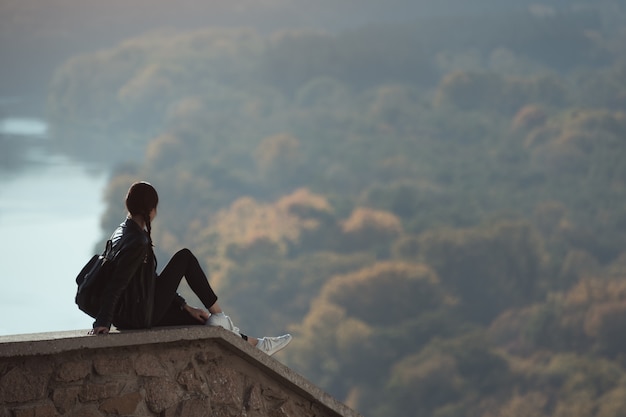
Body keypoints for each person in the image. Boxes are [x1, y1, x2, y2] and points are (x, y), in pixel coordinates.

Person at [89, 181, 292, 356]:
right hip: (138, 315)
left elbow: (147, 279)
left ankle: (255, 344)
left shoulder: (123, 230)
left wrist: (185, 306)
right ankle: (221, 316)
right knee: (184, 258)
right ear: (151, 210)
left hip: (135, 310)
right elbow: (116, 284)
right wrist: (103, 322)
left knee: (202, 322)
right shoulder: (137, 242)